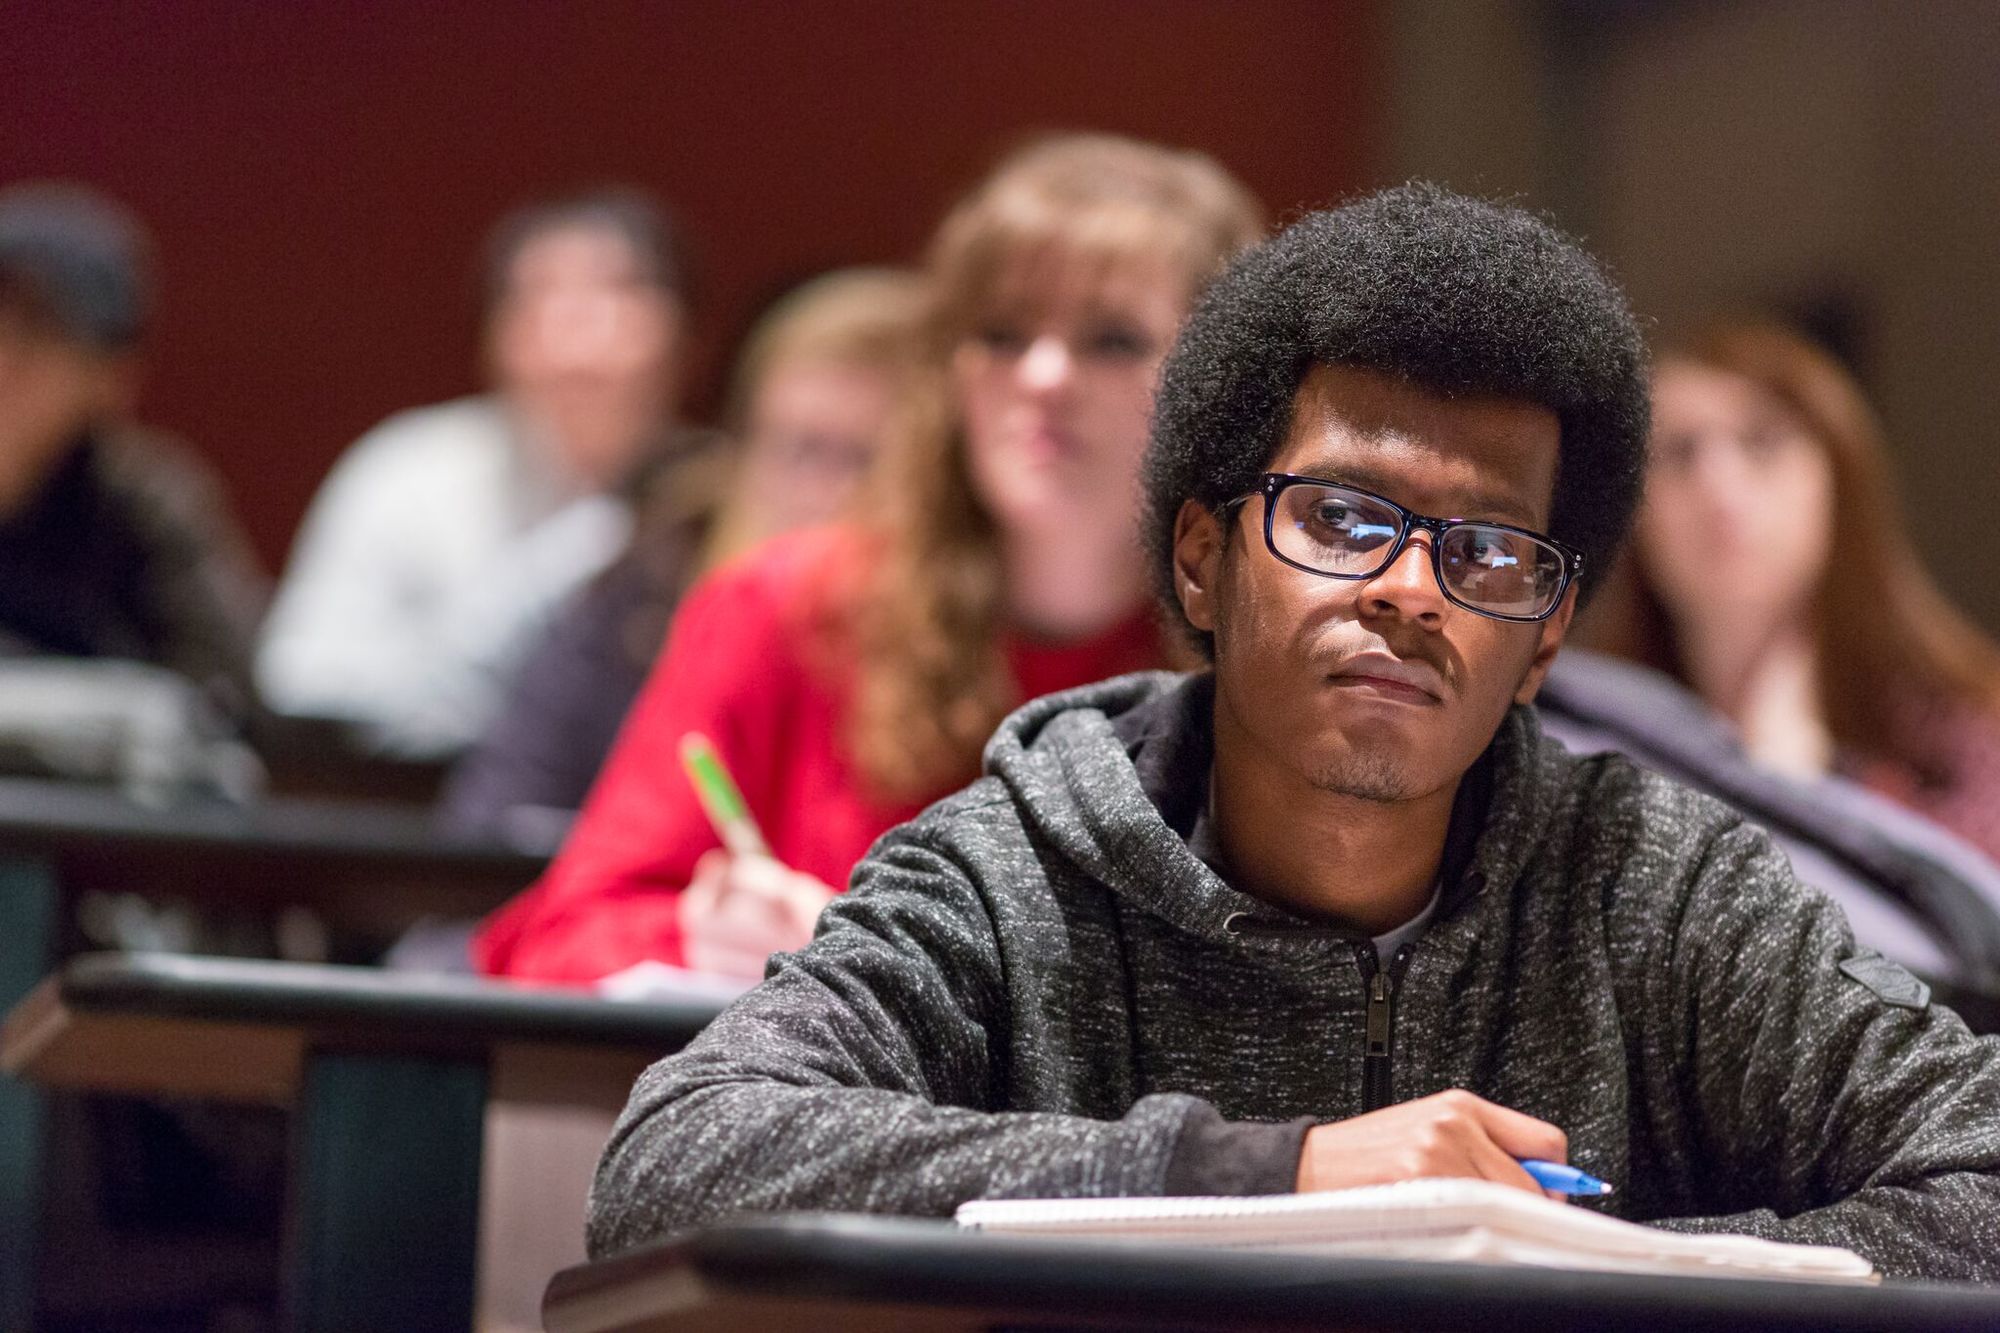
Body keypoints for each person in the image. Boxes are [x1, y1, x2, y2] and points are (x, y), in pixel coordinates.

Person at [586, 186, 2000, 1280]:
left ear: (1545, 640)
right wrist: (1289, 1177)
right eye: (1343, 519)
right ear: (1202, 559)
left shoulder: (1656, 889)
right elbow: (678, 1159)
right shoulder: (1015, 872)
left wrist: (1571, 1269)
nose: (1408, 593)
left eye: (1492, 553)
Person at [475, 134, 1265, 981]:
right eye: (999, 333)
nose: (1040, 375)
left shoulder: (1275, 655)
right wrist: (698, 939)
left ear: (1219, 386)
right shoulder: (784, 606)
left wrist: (866, 943)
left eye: (1110, 339)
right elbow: (549, 940)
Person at [436, 267, 927, 844]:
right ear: (745, 452)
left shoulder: (963, 649)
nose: (834, 492)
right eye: (802, 450)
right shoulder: (646, 592)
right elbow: (497, 814)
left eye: (868, 461)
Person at [256, 188, 693, 757]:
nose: (575, 328)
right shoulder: (407, 470)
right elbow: (302, 682)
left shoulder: (727, 487)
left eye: (616, 290)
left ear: (682, 333)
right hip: (430, 811)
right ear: (496, 334)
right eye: (541, 295)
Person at [1597, 320, 2000, 863]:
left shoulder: (1965, 734)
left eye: (1760, 442)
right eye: (1680, 451)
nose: (1719, 486)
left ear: (1838, 480)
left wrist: (1793, 785)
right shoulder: (1591, 744)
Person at [0, 183, 267, 767]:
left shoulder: (149, 504)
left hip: (88, 833)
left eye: (38, 335)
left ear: (112, 378)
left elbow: (228, 696)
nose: (5, 360)